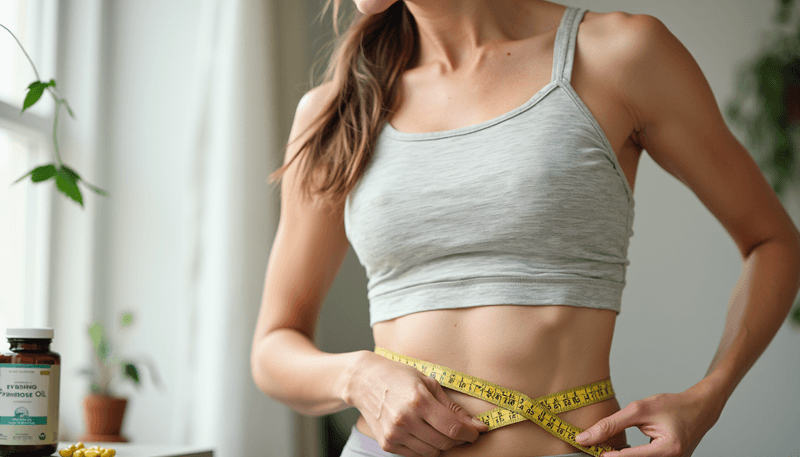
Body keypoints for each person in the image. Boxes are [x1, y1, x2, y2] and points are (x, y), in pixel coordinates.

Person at [250, 0, 800, 456]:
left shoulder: (617, 55)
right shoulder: (337, 109)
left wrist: (707, 399)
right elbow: (273, 346)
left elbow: (773, 242)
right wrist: (357, 377)